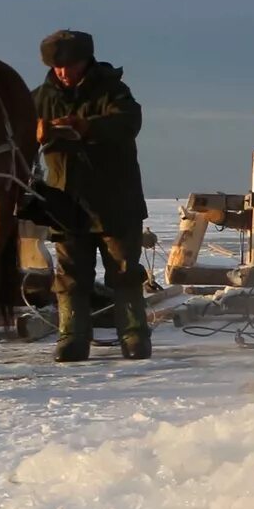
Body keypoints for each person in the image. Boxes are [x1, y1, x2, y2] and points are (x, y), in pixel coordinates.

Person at [32, 30, 151, 362]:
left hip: (116, 201)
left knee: (124, 271)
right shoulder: (40, 98)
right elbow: (15, 129)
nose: (64, 73)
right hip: (65, 204)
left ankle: (133, 335)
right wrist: (36, 130)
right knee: (70, 276)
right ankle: (72, 337)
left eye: (70, 66)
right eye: (58, 67)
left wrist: (85, 127)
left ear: (85, 62)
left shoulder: (114, 91)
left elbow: (128, 122)